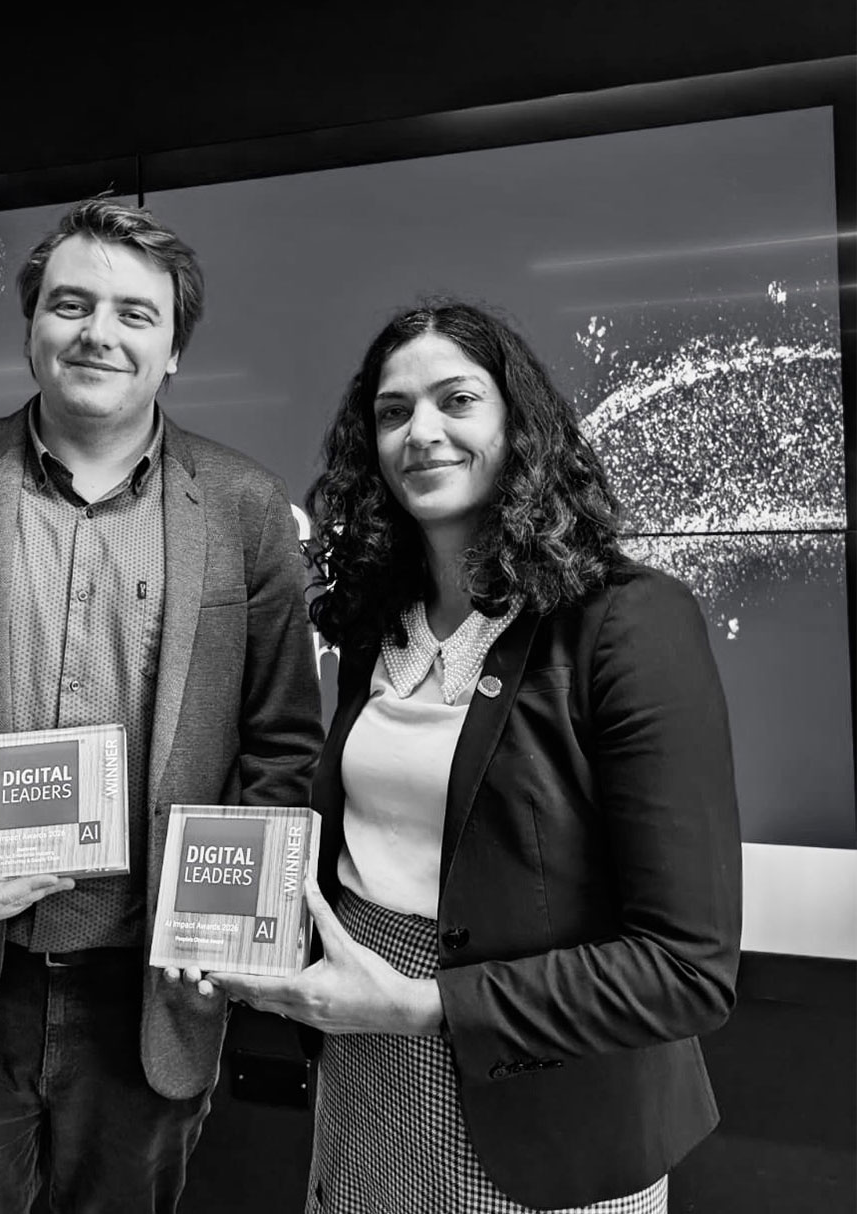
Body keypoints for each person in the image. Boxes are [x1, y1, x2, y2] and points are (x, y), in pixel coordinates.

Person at [0, 197, 323, 1214]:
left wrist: (232, 922)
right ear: (32, 324)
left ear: (173, 349)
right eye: (72, 303)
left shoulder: (248, 506)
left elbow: (281, 735)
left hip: (149, 997)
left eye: (136, 313)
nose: (99, 331)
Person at [205, 300, 742, 1212]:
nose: (423, 433)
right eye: (392, 411)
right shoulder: (382, 624)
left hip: (539, 1105)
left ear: (518, 425)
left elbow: (685, 970)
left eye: (458, 400)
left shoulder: (630, 621)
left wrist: (424, 1004)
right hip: (362, 1065)